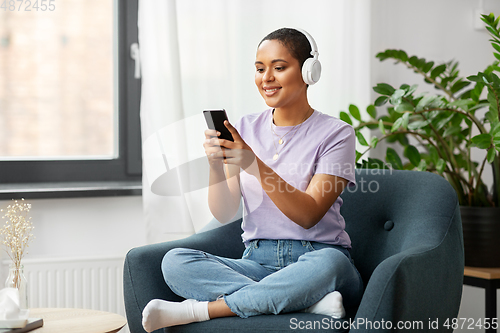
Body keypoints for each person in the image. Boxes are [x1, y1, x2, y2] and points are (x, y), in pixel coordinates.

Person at [141, 27, 364, 332]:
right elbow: (224, 212)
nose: (266, 78)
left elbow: (308, 214)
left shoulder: (336, 134)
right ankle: (304, 302)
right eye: (260, 69)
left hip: (317, 258)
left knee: (331, 266)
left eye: (279, 67)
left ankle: (203, 310)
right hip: (256, 263)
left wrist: (253, 164)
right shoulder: (244, 128)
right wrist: (216, 166)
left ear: (309, 72)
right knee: (175, 262)